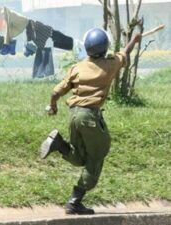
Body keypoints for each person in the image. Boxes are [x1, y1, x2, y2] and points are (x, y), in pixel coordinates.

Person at [40, 28, 142, 215]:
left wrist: (53, 106)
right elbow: (125, 53)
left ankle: (59, 144)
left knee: (79, 158)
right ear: (105, 48)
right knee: (98, 154)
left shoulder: (77, 68)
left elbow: (55, 92)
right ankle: (74, 201)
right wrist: (134, 39)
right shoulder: (109, 65)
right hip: (90, 117)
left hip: (74, 115)